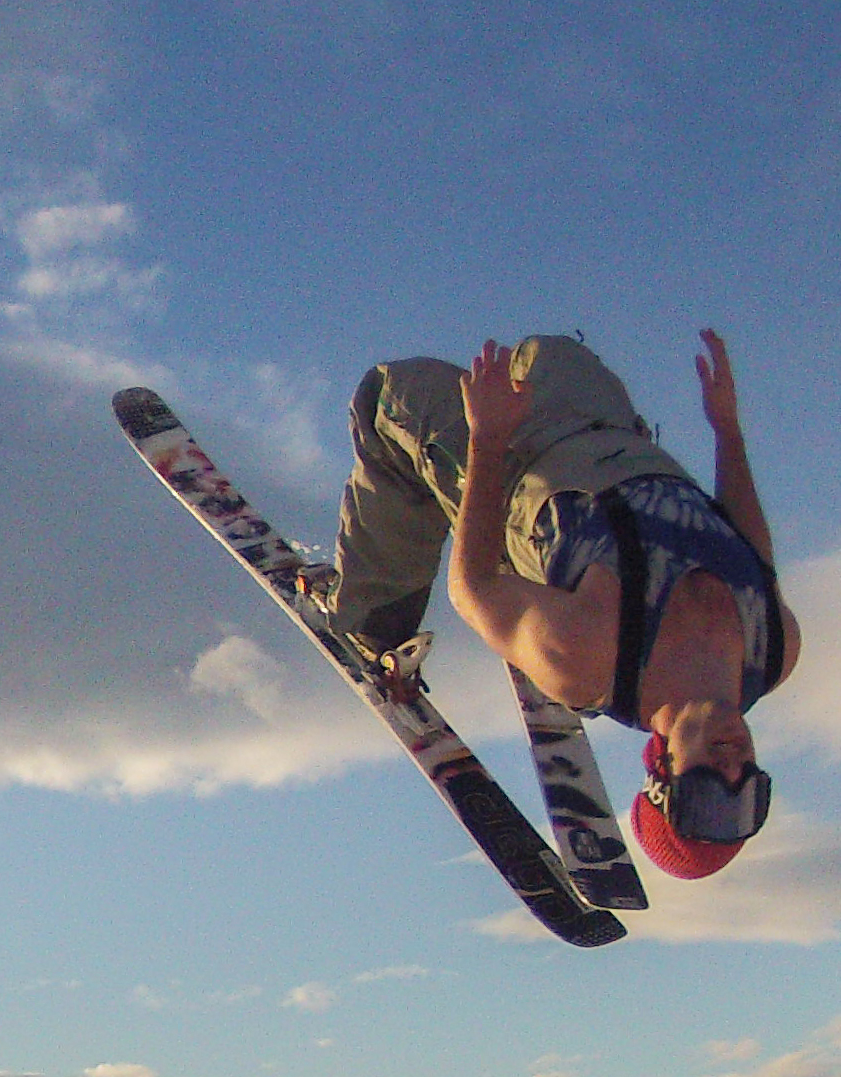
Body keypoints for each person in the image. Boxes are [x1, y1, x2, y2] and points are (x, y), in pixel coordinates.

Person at [325, 330, 798, 878]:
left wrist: (488, 439)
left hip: (515, 466)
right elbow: (751, 548)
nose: (733, 769)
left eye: (710, 794)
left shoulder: (590, 656)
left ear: (662, 772)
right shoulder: (775, 650)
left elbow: (472, 588)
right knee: (552, 350)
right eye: (750, 790)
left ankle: (369, 622)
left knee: (390, 399)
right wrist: (726, 429)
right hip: (608, 432)